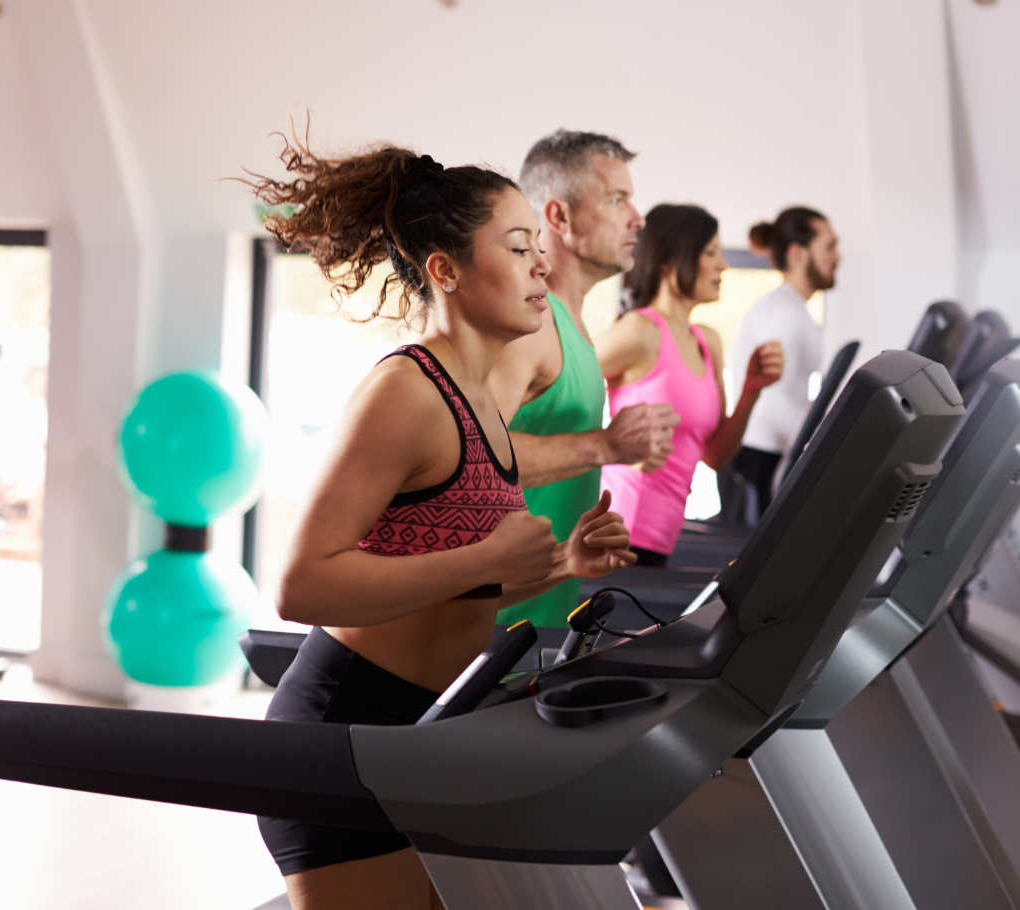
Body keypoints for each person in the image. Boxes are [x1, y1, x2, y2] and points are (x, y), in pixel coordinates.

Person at [241, 132, 635, 910]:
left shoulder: (481, 399)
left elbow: (454, 566)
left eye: (537, 248)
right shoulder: (408, 392)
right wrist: (488, 562)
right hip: (343, 730)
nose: (541, 266)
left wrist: (563, 566)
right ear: (446, 270)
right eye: (518, 248)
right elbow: (300, 584)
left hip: (425, 725)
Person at [490, 130, 680, 627]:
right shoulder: (529, 325)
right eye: (617, 199)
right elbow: (468, 458)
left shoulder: (574, 327)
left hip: (540, 627)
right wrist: (604, 445)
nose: (637, 218)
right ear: (559, 217)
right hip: (488, 640)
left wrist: (623, 447)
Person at [596, 204, 784, 567]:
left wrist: (751, 391)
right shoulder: (640, 332)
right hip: (617, 533)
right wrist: (609, 446)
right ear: (669, 261)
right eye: (711, 252)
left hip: (661, 537)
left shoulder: (706, 341)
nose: (723, 265)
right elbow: (555, 390)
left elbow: (714, 457)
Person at [722, 206, 840, 519]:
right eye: (829, 246)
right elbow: (776, 397)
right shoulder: (783, 313)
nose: (837, 257)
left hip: (772, 455)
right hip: (760, 460)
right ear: (798, 254)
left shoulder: (796, 310)